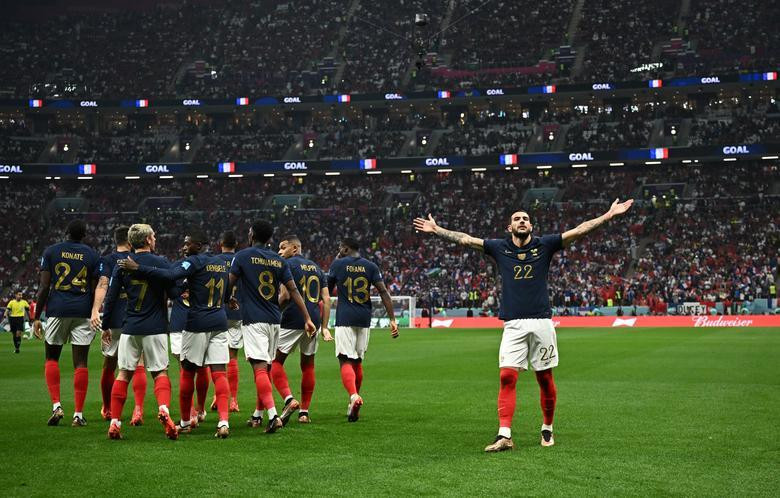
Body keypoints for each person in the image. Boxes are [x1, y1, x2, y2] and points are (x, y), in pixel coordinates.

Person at [413, 198, 633, 451]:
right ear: (509, 227)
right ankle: (504, 434)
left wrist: (608, 216)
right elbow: (466, 239)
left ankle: (547, 428)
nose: (522, 221)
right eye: (517, 219)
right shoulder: (499, 247)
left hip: (541, 321)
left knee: (545, 378)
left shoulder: (545, 245)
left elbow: (579, 230)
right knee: (507, 376)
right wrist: (437, 230)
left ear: (531, 226)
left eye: (526, 219)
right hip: (513, 323)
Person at [119, 229, 233, 438]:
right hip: (219, 322)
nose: (183, 247)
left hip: (197, 323)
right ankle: (223, 422)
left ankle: (185, 422)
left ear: (198, 246)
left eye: (187, 243)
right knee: (218, 372)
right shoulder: (221, 264)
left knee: (187, 370)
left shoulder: (195, 262)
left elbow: (170, 275)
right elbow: (226, 295)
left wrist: (138, 267)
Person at [226, 220, 315, 433]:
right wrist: (307, 318)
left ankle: (273, 415)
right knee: (265, 369)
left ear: (252, 235)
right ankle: (258, 414)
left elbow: (228, 283)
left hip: (254, 320)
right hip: (275, 320)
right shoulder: (278, 260)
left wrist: (226, 298)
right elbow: (294, 292)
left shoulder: (243, 256)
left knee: (259, 369)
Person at [101, 224, 178, 440]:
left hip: (130, 328)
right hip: (155, 328)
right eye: (153, 236)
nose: (155, 239)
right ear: (147, 240)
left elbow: (111, 298)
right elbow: (173, 292)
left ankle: (115, 423)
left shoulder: (122, 265)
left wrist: (106, 325)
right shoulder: (161, 263)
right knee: (160, 372)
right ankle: (163, 409)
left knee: (124, 373)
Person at [33, 219, 100, 427]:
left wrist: (36, 317)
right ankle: (78, 415)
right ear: (84, 235)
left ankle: (56, 405)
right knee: (81, 363)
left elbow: (44, 287)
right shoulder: (91, 255)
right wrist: (94, 310)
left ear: (66, 233)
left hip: (58, 309)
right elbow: (95, 286)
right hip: (82, 311)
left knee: (51, 357)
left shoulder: (51, 251)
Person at [327, 238, 399, 422]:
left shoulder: (338, 264)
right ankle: (354, 400)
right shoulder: (371, 266)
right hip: (364, 317)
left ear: (345, 248)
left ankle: (353, 396)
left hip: (345, 317)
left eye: (339, 248)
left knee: (344, 359)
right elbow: (383, 291)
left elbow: (326, 290)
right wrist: (392, 319)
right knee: (357, 361)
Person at [272, 234, 333, 425]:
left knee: (275, 362)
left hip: (292, 317)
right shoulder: (317, 268)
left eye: (283, 248)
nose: (279, 252)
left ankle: (289, 399)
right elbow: (327, 300)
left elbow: (284, 296)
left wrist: (273, 312)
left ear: (295, 249)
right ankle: (304, 412)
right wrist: (324, 326)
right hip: (313, 319)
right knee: (308, 365)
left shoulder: (287, 265)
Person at [90, 225, 147, 425]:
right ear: (131, 242)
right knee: (138, 363)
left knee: (110, 364)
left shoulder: (107, 260)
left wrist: (96, 310)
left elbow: (103, 284)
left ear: (116, 241)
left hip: (114, 319)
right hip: (136, 317)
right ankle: (138, 410)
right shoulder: (139, 259)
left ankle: (107, 408)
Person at [210, 231, 242, 413]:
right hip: (237, 312)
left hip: (217, 311)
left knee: (215, 357)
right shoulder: (242, 260)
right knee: (232, 357)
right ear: (236, 244)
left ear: (220, 243)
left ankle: (217, 396)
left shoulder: (214, 261)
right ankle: (234, 400)